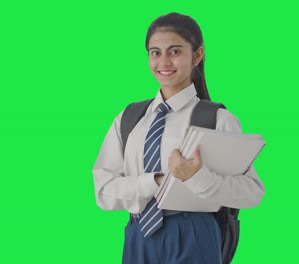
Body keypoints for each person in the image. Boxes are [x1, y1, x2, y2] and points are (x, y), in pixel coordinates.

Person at [92, 12, 265, 264]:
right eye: (155, 52)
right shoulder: (129, 118)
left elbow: (252, 193)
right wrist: (156, 181)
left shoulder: (217, 119)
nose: (164, 61)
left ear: (197, 56)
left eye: (175, 52)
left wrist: (198, 178)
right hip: (138, 234)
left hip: (194, 233)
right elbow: (104, 192)